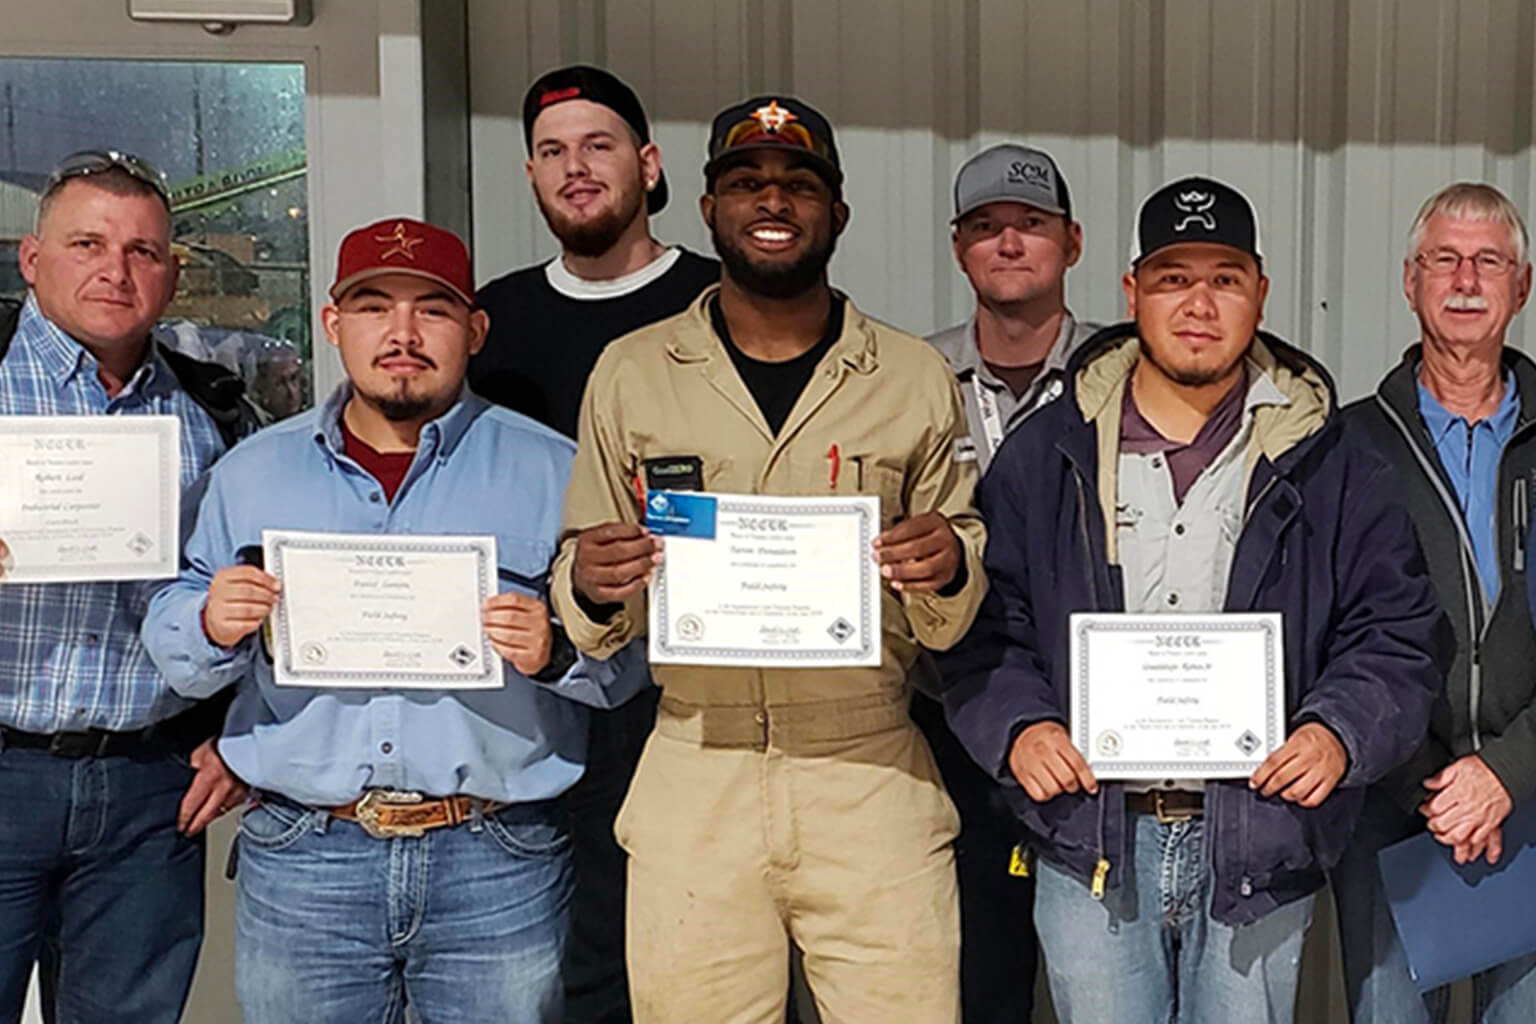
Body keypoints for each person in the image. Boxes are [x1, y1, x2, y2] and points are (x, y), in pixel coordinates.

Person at [941, 175, 1446, 1024]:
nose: (1199, 303)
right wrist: (1021, 727)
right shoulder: (1049, 454)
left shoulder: (1334, 460)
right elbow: (987, 624)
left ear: (1261, 292)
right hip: (1090, 841)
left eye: (1225, 277)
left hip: (1259, 845)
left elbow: (1394, 632)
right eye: (1174, 277)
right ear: (1133, 291)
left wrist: (1338, 733)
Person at [141, 217, 644, 1024]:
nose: (403, 333)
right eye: (375, 307)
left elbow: (629, 661)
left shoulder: (560, 473)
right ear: (335, 325)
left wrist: (557, 654)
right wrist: (207, 622)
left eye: (434, 310)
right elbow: (169, 631)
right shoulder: (251, 473)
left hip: (499, 861)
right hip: (306, 858)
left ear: (475, 330)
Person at [550, 96, 986, 1023]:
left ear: (838, 213)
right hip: (693, 766)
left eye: (799, 185)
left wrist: (947, 561)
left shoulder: (912, 377)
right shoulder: (633, 371)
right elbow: (584, 579)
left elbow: (961, 569)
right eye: (745, 183)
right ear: (707, 210)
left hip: (867, 769)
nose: (772, 201)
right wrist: (589, 584)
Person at [467, 66, 717, 1022]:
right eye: (551, 151)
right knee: (570, 963)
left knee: (700, 955)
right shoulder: (492, 322)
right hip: (539, 684)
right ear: (531, 176)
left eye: (599, 145)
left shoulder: (719, 301)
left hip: (689, 681)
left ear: (649, 167)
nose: (576, 168)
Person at [0, 150, 244, 1024]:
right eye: (88, 243)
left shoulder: (212, 410)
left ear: (172, 274)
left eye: (143, 252)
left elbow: (233, 589)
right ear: (33, 259)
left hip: (150, 785)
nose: (116, 270)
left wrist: (235, 739)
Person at [1335, 182, 1536, 1023]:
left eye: (1489, 262)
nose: (1466, 280)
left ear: (1521, 287)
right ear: (1411, 281)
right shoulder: (1346, 446)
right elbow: (1328, 641)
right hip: (1391, 810)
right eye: (1444, 260)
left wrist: (1507, 772)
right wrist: (1440, 786)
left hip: (1531, 804)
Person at [915, 142, 1100, 1024]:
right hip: (945, 713)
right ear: (959, 248)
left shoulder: (1131, 372)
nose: (1010, 243)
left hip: (1098, 724)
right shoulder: (907, 377)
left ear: (1072, 242)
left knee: (1100, 974)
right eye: (987, 227)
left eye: (1031, 224)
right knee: (978, 969)